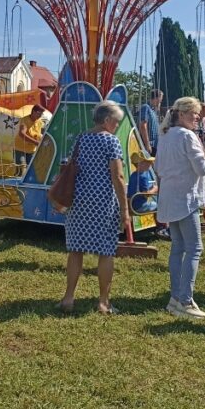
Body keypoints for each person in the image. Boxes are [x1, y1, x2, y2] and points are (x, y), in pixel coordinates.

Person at [58, 100, 131, 315]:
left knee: (75, 250)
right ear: (107, 120)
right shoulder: (111, 142)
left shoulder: (81, 139)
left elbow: (73, 167)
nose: (117, 126)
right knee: (106, 252)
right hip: (102, 202)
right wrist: (125, 209)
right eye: (116, 122)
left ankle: (68, 297)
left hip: (79, 201)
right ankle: (103, 302)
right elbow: (117, 176)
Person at [154, 96, 205, 319]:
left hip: (170, 196)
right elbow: (202, 169)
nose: (196, 119)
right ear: (180, 114)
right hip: (186, 198)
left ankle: (175, 298)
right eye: (192, 115)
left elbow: (158, 167)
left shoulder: (165, 135)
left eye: (197, 116)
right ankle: (185, 300)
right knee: (194, 248)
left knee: (178, 247)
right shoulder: (187, 136)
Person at [14, 104, 46, 170]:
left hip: (31, 150)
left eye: (41, 114)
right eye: (38, 113)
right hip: (20, 149)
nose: (40, 115)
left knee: (32, 170)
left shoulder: (40, 122)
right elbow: (21, 134)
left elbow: (40, 134)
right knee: (20, 169)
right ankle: (18, 179)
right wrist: (36, 142)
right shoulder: (25, 120)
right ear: (33, 111)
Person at [137, 89, 163, 155]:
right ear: (157, 98)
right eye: (160, 100)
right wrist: (147, 144)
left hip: (155, 145)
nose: (160, 102)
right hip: (148, 145)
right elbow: (143, 126)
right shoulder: (146, 107)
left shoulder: (153, 111)